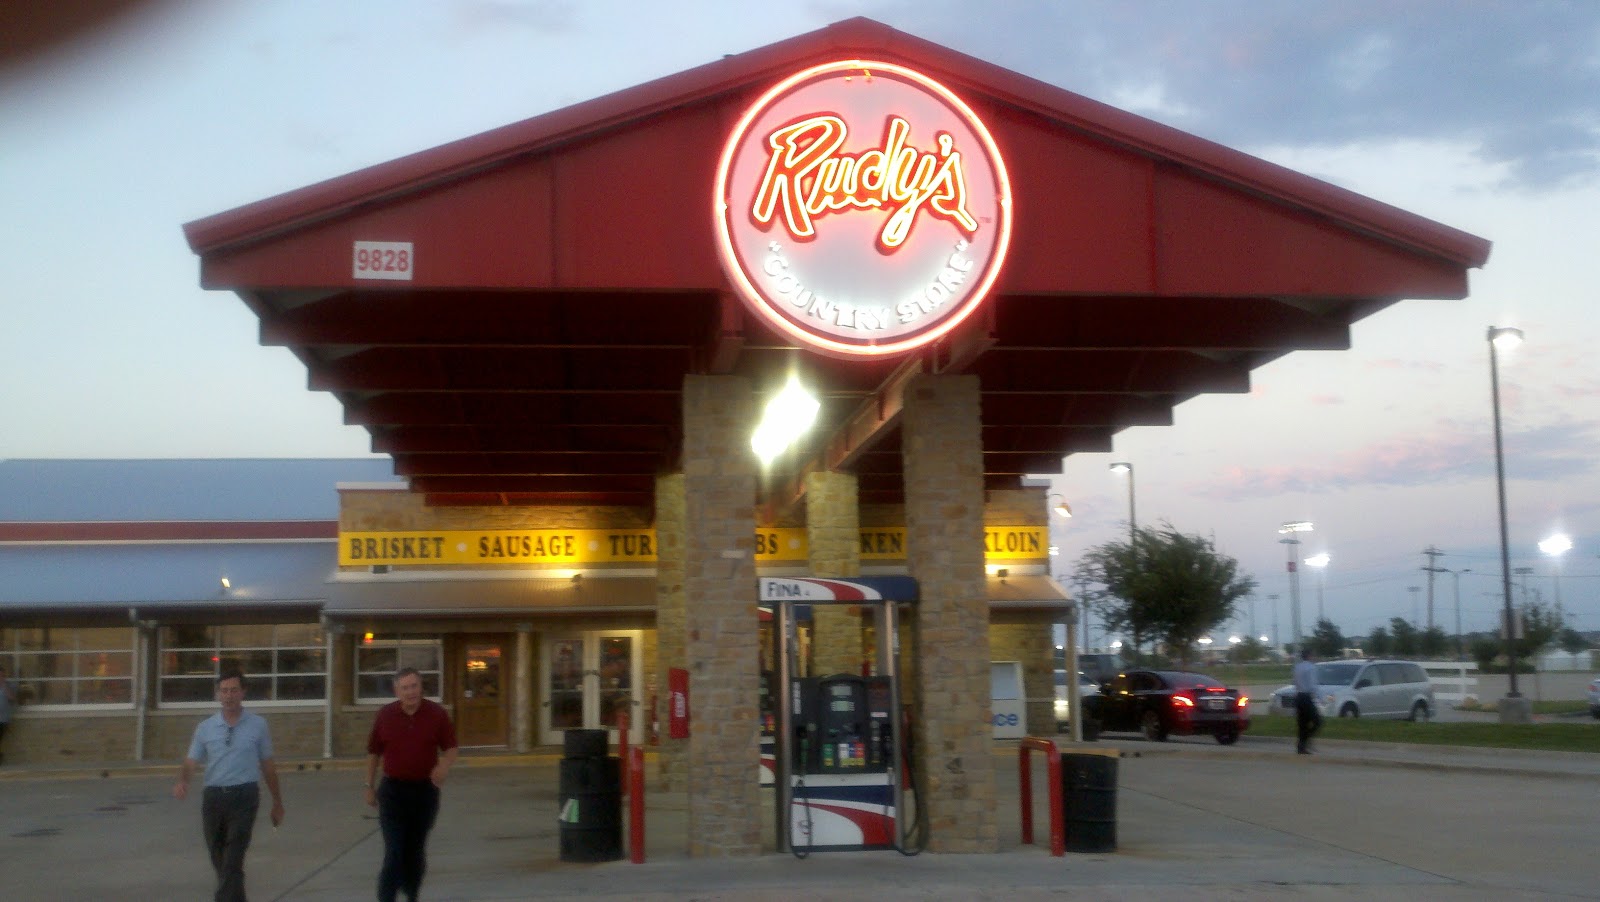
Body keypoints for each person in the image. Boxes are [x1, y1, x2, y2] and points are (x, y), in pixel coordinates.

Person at [173, 670, 285, 902]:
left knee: (233, 857)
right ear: (217, 694)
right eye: (224, 691)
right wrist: (183, 781)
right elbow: (191, 760)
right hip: (214, 798)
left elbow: (268, 766)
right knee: (220, 860)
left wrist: (277, 802)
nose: (229, 695)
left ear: (243, 692)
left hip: (245, 796)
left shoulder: (258, 725)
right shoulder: (205, 727)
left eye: (234, 690)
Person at [366, 667, 458, 902]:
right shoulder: (385, 715)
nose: (411, 692)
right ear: (397, 691)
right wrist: (369, 786)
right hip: (393, 792)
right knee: (394, 852)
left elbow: (451, 747)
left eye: (414, 686)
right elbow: (374, 752)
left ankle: (412, 893)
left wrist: (444, 766)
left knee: (415, 852)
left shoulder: (436, 714)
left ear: (421, 687)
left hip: (424, 793)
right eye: (405, 688)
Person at [1292, 648, 1323, 755]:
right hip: (1306, 697)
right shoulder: (1311, 668)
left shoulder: (1297, 667)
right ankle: (1305, 741)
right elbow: (1313, 685)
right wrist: (1320, 698)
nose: (1314, 657)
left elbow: (1295, 682)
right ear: (1309, 656)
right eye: (1313, 655)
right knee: (1317, 721)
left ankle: (1301, 747)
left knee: (1302, 723)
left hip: (1298, 697)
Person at [0, 665, 16, 765]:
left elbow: (12, 698)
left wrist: (4, 685)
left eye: (2, 675)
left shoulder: (10, 685)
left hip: (3, 719)